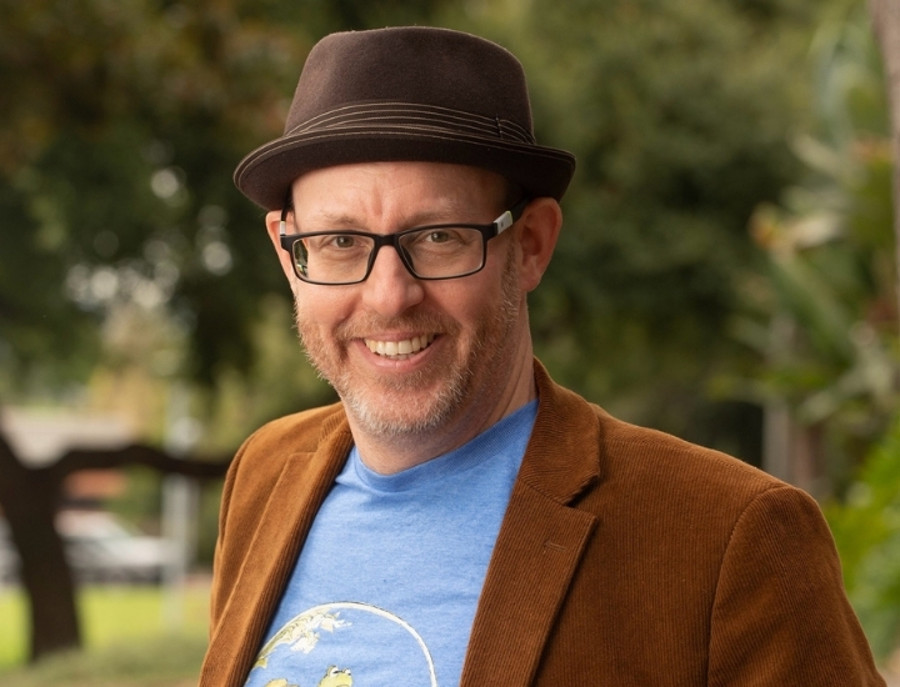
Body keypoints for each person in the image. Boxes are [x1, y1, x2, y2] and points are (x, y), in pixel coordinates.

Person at [199, 26, 886, 686]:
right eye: (340, 241)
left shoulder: (732, 539)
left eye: (438, 237)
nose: (389, 295)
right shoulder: (265, 475)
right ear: (288, 253)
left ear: (529, 245)